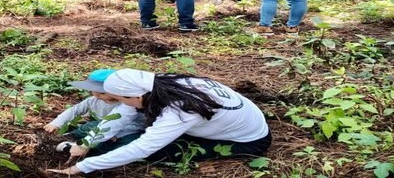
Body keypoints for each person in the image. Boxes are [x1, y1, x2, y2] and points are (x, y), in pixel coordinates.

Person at [46, 69, 270, 176]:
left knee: (152, 151)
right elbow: (121, 116)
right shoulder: (163, 84)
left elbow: (143, 147)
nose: (122, 104)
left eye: (123, 99)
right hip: (216, 125)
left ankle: (99, 155)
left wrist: (81, 167)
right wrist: (86, 142)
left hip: (246, 140)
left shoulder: (180, 109)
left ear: (136, 95)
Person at [44, 69, 145, 157]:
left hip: (125, 132)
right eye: (93, 91)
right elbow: (75, 110)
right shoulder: (93, 100)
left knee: (130, 142)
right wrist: (56, 123)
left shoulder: (130, 103)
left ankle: (84, 150)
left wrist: (119, 133)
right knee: (92, 126)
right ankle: (71, 136)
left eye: (102, 93)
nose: (97, 95)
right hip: (99, 127)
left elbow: (139, 124)